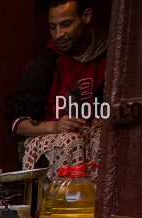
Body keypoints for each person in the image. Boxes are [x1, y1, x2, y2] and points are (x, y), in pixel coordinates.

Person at [10, 0, 107, 175]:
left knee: (104, 138)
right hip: (47, 139)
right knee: (70, 141)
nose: (58, 34)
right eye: (53, 27)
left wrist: (104, 119)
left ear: (86, 16)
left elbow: (108, 106)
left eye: (66, 24)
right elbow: (19, 124)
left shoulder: (106, 57)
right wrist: (55, 126)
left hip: (87, 134)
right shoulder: (44, 64)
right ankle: (64, 201)